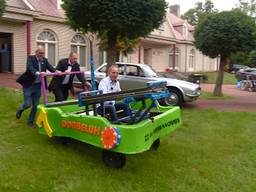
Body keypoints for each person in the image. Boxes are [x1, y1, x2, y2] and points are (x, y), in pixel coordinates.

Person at [16, 46, 56, 127]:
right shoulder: (31, 58)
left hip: (38, 86)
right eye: (40, 53)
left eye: (43, 53)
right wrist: (38, 73)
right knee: (28, 104)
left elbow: (51, 68)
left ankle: (30, 122)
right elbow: (30, 67)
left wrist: (57, 71)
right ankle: (20, 109)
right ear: (36, 52)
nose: (42, 54)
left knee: (35, 105)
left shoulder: (44, 60)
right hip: (29, 85)